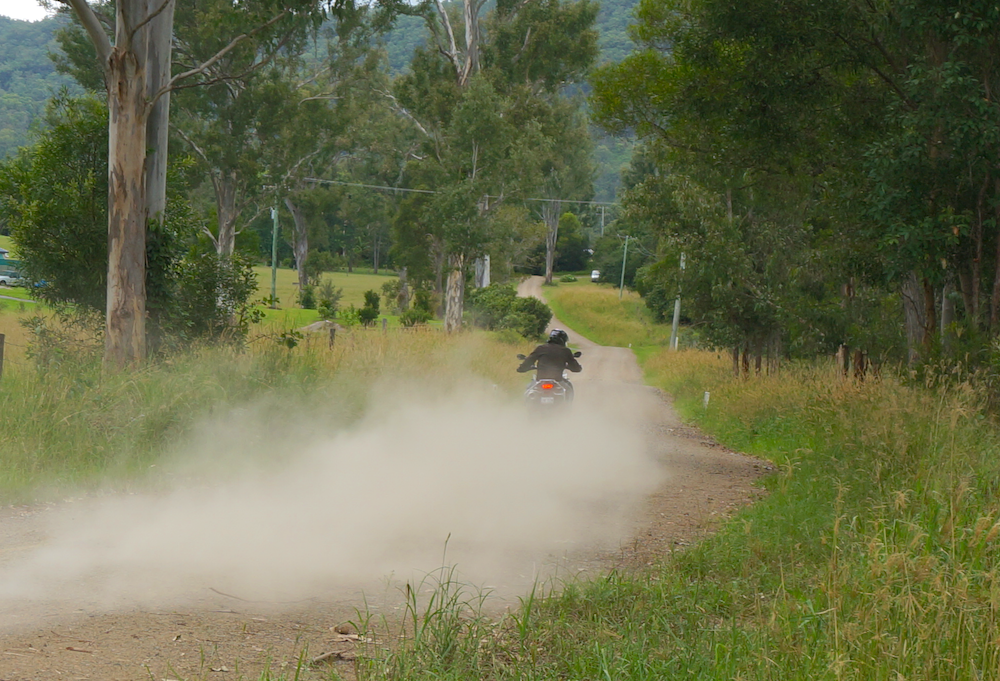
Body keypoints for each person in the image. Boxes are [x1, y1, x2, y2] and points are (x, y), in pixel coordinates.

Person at [517, 329, 582, 399]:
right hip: (558, 380)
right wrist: (574, 367)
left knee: (529, 388)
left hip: (540, 380)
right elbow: (576, 368)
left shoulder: (541, 348)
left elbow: (529, 360)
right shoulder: (565, 351)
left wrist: (521, 368)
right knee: (568, 388)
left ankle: (527, 406)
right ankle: (568, 408)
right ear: (563, 340)